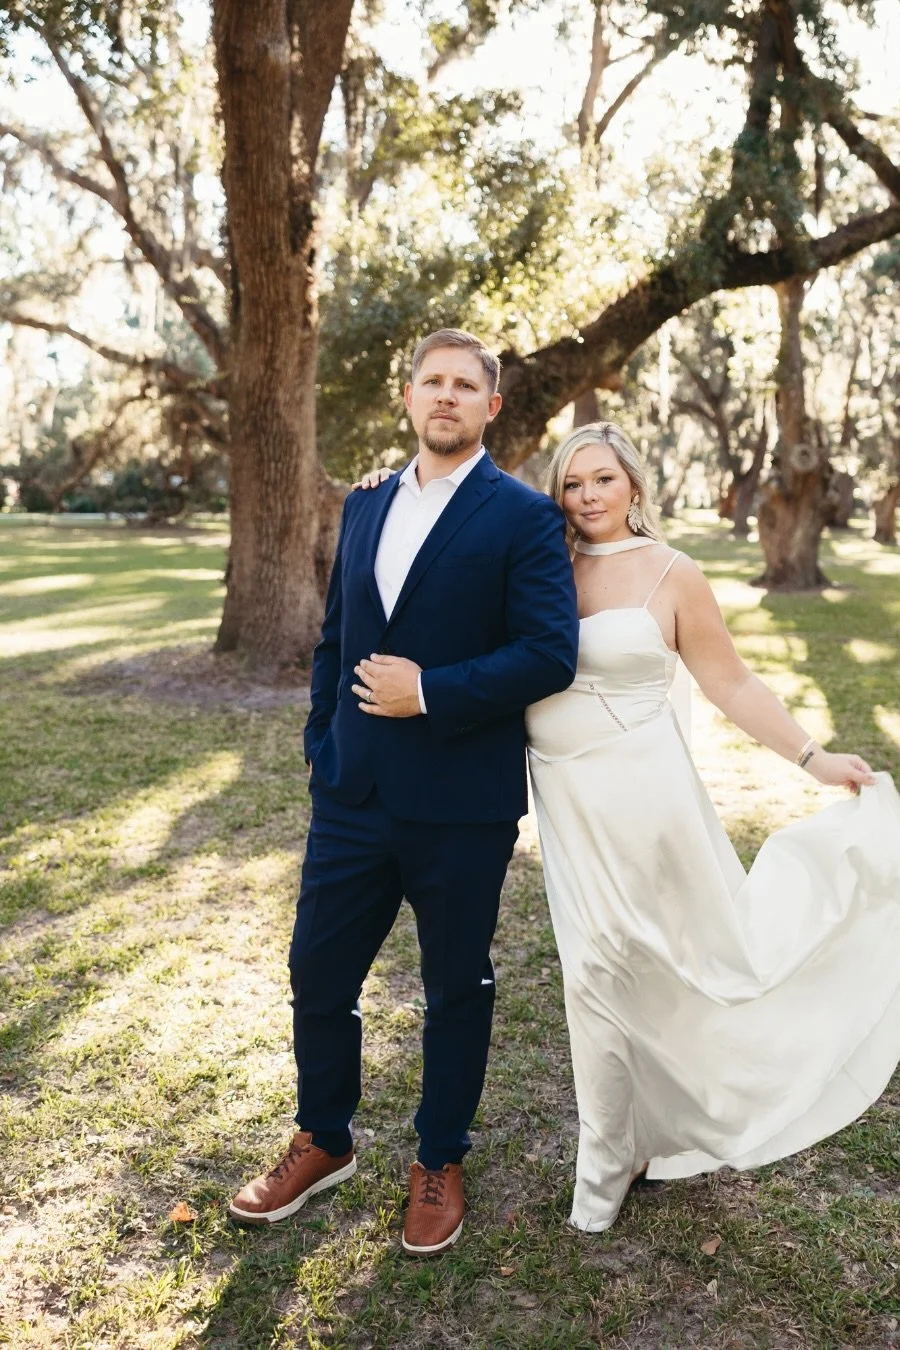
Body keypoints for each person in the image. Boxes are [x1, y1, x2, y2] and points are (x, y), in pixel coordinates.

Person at [360, 419, 900, 1234]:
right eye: (572, 482)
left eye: (603, 479)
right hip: (567, 797)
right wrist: (382, 493)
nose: (588, 495)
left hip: (649, 794)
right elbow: (446, 571)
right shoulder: (539, 561)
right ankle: (609, 1160)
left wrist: (814, 758)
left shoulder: (674, 573)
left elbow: (730, 684)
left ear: (633, 483)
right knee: (593, 970)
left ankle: (664, 1125)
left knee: (678, 964)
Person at [228, 330, 579, 1255]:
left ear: (492, 408)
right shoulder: (367, 503)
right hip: (352, 794)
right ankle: (324, 1138)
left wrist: (428, 691)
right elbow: (337, 638)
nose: (448, 397)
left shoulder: (522, 516)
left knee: (454, 985)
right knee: (317, 972)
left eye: (468, 386)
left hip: (461, 801)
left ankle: (439, 1158)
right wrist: (321, 742)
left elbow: (549, 653)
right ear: (410, 396)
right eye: (434, 381)